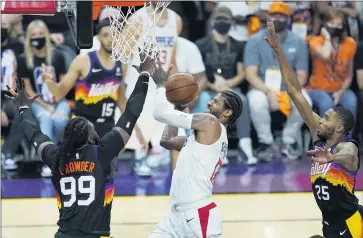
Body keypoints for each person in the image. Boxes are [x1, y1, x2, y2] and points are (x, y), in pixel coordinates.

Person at [4, 53, 153, 238]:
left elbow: (34, 134)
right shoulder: (103, 153)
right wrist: (144, 75)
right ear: (90, 137)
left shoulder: (56, 156)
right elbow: (131, 113)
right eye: (92, 129)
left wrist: (23, 108)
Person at [265, 19, 362, 238]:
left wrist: (331, 158)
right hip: (329, 223)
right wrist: (279, 50)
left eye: (326, 118)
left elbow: (347, 155)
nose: (320, 121)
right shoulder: (318, 136)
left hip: (353, 225)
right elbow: (294, 90)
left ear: (338, 128)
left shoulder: (348, 148)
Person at [148, 62, 243, 238]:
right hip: (175, 216)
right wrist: (177, 108)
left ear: (227, 113)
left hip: (197, 214)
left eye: (216, 102)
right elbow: (167, 140)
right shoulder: (206, 137)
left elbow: (159, 114)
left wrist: (161, 85)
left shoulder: (211, 123)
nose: (209, 102)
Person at [41, 19, 147, 145]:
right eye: (106, 35)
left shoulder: (121, 65)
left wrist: (138, 131)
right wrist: (48, 81)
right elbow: (59, 93)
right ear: (98, 38)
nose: (110, 39)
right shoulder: (83, 61)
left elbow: (121, 100)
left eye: (114, 35)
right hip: (82, 126)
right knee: (81, 165)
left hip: (107, 126)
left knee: (108, 164)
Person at [245, 2, 311, 161]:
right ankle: (266, 142)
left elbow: (302, 74)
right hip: (262, 88)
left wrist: (292, 91)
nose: (278, 19)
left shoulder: (299, 41)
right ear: (268, 17)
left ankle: (288, 140)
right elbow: (250, 74)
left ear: (288, 19)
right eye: (275, 15)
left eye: (282, 16)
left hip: (288, 87)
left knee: (304, 101)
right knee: (256, 101)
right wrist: (268, 92)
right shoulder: (254, 40)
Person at [196, 6, 257, 165]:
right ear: (212, 21)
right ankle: (215, 147)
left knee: (242, 100)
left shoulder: (238, 45)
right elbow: (197, 73)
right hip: (209, 88)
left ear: (232, 22)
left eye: (226, 20)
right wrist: (213, 85)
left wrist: (228, 84)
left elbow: (242, 72)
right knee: (209, 103)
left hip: (230, 89)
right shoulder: (201, 44)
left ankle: (245, 146)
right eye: (219, 19)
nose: (222, 22)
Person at [17, 19, 70, 177]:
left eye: (41, 34)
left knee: (60, 120)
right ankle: (50, 162)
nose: (37, 37)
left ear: (46, 36)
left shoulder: (57, 55)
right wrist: (46, 106)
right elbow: (28, 90)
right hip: (37, 101)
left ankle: (52, 151)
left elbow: (64, 84)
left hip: (59, 99)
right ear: (28, 38)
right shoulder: (24, 59)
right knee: (46, 118)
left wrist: (55, 99)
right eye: (34, 35)